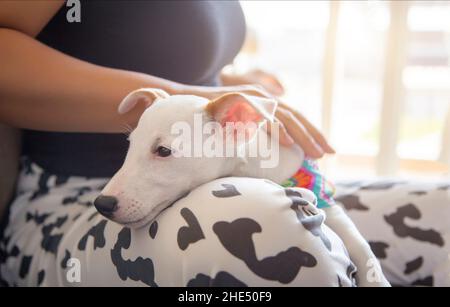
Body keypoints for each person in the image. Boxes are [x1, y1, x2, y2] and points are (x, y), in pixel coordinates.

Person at [0, 1, 343, 286]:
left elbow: (169, 59)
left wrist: (230, 85)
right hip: (70, 206)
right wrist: (190, 99)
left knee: (361, 208)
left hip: (208, 185)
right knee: (274, 229)